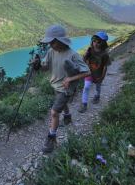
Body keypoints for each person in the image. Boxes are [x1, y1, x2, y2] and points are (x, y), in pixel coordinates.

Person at [32, 25, 90, 153]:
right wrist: (37, 66)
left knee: (54, 112)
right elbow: (45, 67)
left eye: (52, 42)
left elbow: (87, 72)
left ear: (60, 40)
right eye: (50, 42)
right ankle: (68, 116)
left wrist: (70, 79)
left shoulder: (73, 55)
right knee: (62, 105)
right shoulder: (51, 51)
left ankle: (51, 137)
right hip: (56, 85)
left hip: (66, 88)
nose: (50, 44)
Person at [79, 31, 111, 113]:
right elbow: (84, 60)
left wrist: (102, 77)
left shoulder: (105, 54)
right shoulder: (90, 50)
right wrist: (86, 54)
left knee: (98, 87)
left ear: (103, 43)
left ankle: (97, 96)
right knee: (86, 87)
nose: (95, 43)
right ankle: (84, 104)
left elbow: (105, 66)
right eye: (94, 41)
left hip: (98, 74)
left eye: (98, 42)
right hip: (89, 73)